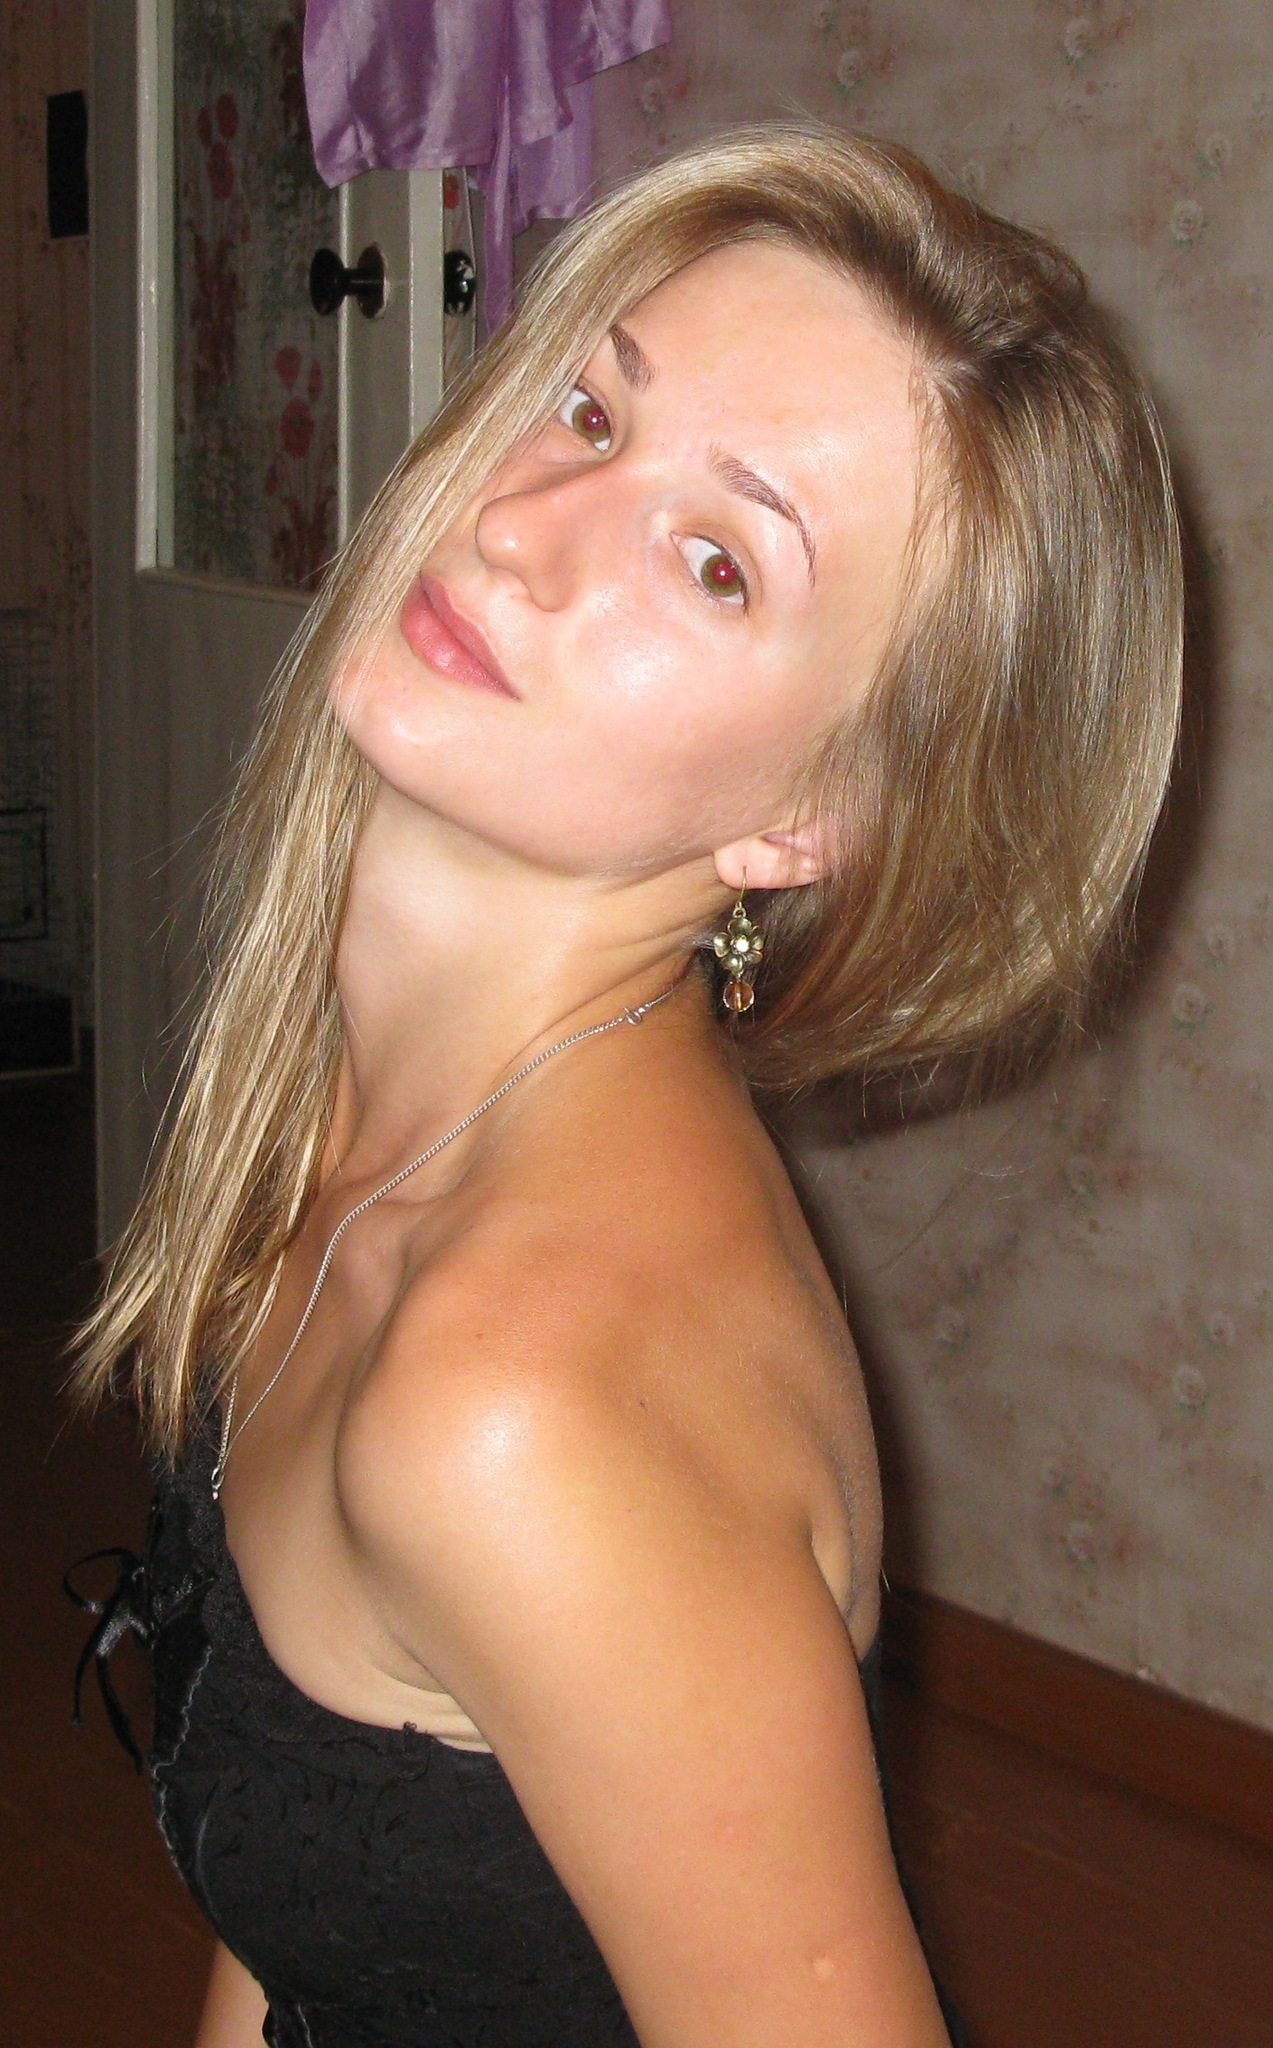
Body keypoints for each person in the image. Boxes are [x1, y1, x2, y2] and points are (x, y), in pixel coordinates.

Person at [75, 123, 1182, 2048]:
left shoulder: (511, 1404)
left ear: (810, 817)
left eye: (715, 563)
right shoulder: (357, 1119)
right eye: (588, 409)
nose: (522, 526)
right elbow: (299, 1915)